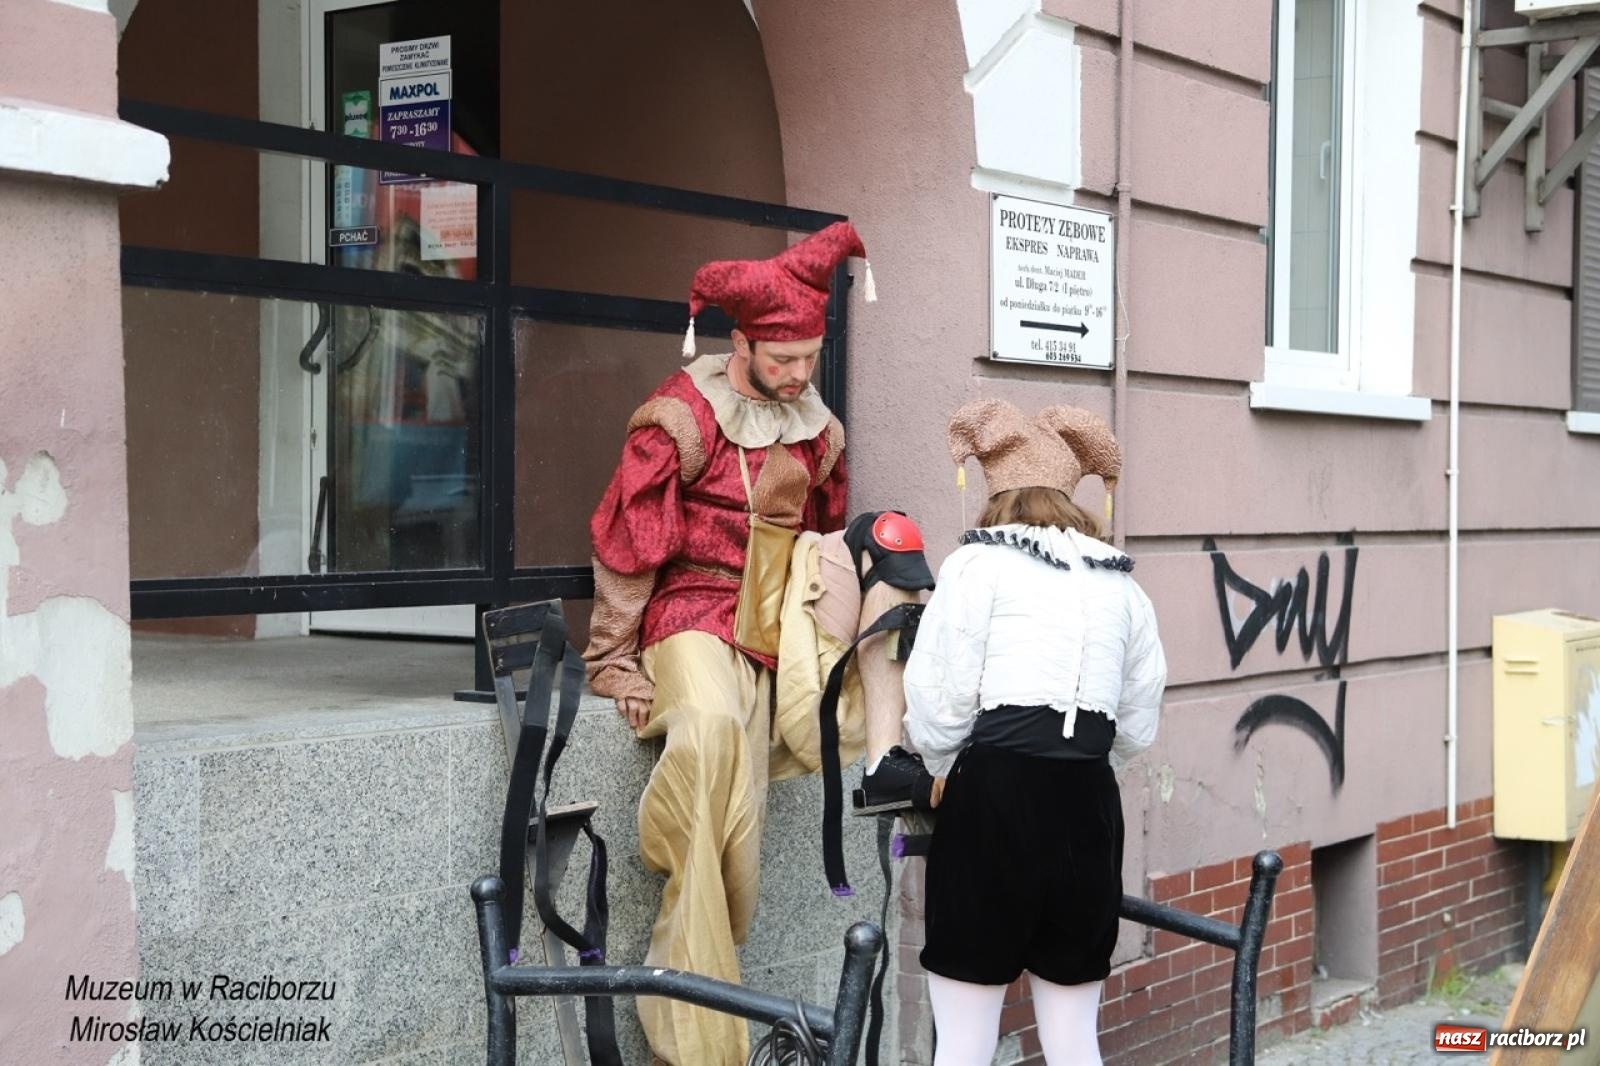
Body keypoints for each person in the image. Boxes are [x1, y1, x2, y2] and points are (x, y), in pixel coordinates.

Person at [585, 221, 920, 1066]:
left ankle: (700, 977)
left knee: (743, 807)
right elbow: (629, 542)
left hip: (774, 631)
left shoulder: (817, 428)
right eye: (783, 360)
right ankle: (694, 1038)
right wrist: (611, 656)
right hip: (689, 612)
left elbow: (824, 537)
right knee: (705, 734)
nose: (799, 374)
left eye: (810, 357)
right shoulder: (681, 417)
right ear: (741, 344)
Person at [902, 398, 1168, 1066]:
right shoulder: (1121, 585)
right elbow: (1137, 718)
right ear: (1071, 494)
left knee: (964, 1044)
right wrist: (1080, 763)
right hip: (1087, 805)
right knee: (1076, 1042)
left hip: (995, 798)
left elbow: (937, 700)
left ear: (997, 492)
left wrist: (944, 763)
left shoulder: (978, 565)